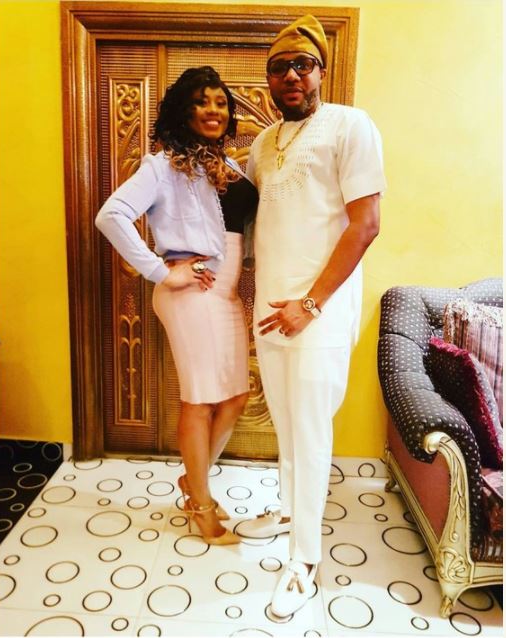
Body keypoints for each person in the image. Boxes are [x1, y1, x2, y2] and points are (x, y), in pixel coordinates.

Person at [238, 15, 387, 616]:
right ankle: (287, 509)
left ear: (321, 70)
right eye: (279, 68)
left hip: (317, 312)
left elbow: (366, 224)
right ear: (269, 80)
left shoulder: (350, 126)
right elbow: (254, 221)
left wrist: (310, 304)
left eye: (303, 65)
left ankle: (304, 561)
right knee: (285, 422)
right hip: (270, 309)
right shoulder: (262, 143)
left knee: (310, 429)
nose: (291, 76)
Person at [96, 66, 258, 546]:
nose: (213, 110)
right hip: (191, 294)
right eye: (201, 101)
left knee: (235, 396)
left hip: (224, 294)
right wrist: (162, 271)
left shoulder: (229, 167)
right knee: (200, 400)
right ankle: (201, 505)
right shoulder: (164, 165)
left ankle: (194, 480)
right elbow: (111, 215)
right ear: (183, 111)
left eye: (220, 102)